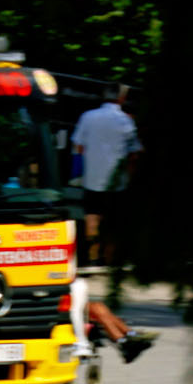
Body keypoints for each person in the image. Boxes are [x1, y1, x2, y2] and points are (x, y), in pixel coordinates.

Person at [71, 87, 140, 268]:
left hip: (92, 178)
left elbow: (79, 146)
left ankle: (92, 256)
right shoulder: (126, 121)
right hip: (117, 182)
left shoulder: (87, 117)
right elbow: (134, 153)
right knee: (114, 219)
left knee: (92, 215)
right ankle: (110, 259)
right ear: (121, 98)